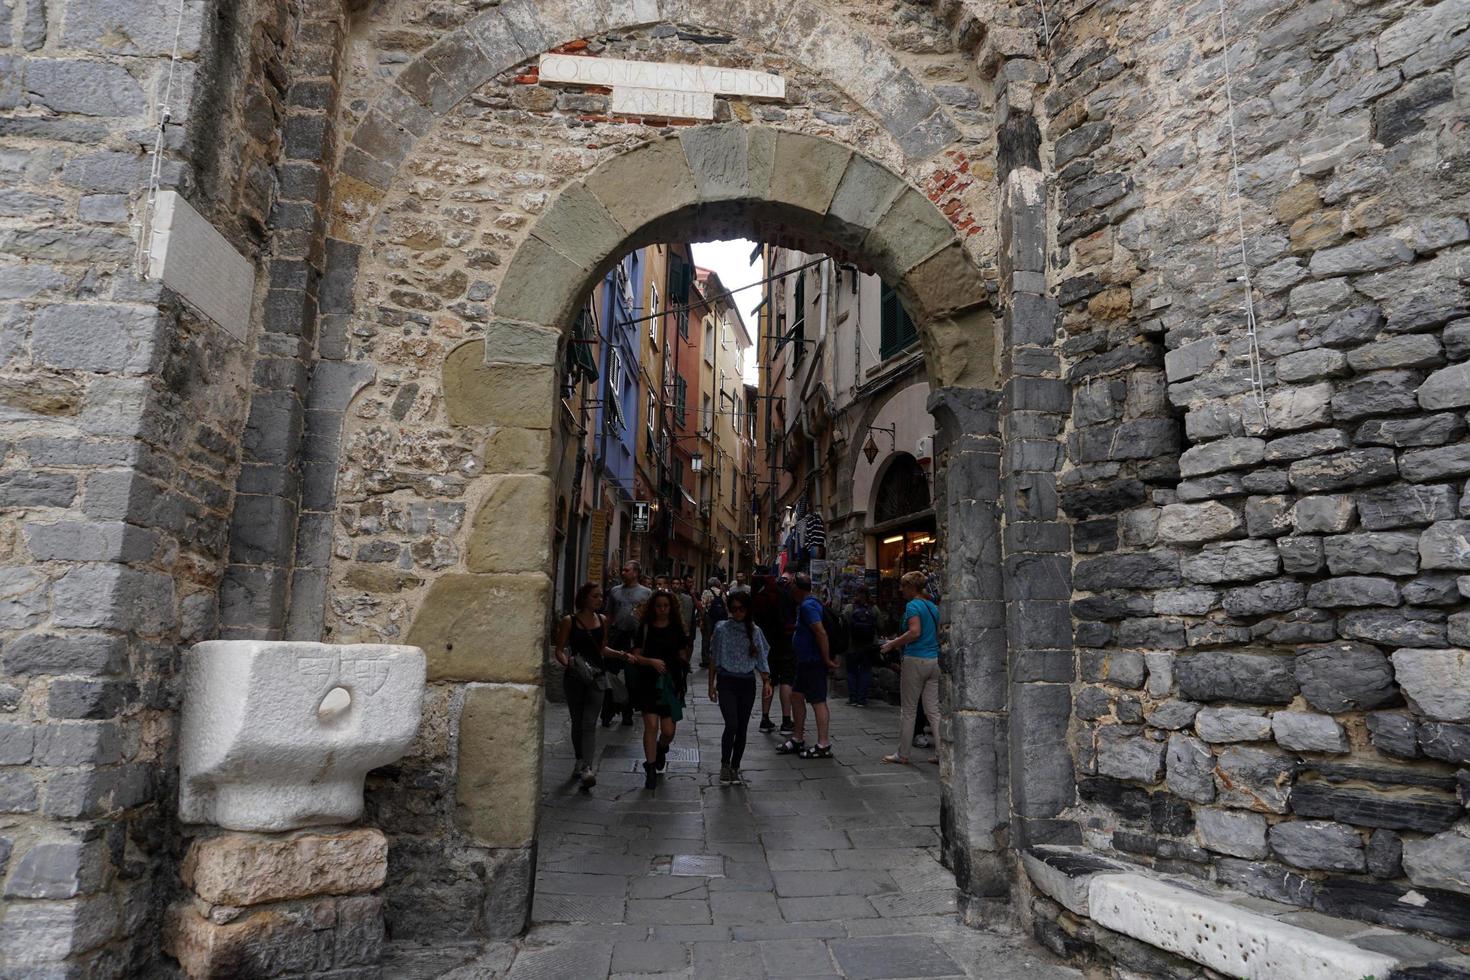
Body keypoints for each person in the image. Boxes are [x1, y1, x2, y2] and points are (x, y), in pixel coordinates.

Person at [552, 583, 627, 790]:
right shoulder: (569, 621)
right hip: (575, 679)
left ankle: (587, 768)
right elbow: (559, 649)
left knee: (588, 722)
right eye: (595, 596)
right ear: (584, 598)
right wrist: (569, 664)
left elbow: (602, 648)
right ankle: (579, 760)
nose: (600, 600)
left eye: (601, 597)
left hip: (596, 678)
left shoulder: (603, 621)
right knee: (577, 723)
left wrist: (621, 654)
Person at [706, 591, 772, 785]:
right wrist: (711, 684)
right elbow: (713, 657)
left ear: (747, 609)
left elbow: (761, 658)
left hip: (746, 683)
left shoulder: (755, 631)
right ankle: (725, 764)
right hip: (727, 681)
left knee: (742, 728)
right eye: (733, 609)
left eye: (741, 609)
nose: (737, 613)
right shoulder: (721, 629)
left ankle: (735, 766)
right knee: (732, 724)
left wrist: (766, 682)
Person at [628, 590, 691, 790]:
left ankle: (662, 748)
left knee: (668, 731)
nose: (662, 609)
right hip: (648, 682)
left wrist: (680, 682)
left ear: (671, 608)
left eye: (665, 606)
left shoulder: (677, 629)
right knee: (651, 726)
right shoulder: (645, 628)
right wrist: (651, 662)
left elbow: (683, 657)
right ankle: (651, 769)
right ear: (653, 608)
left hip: (670, 684)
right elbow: (635, 655)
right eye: (658, 606)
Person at [880, 571, 942, 765]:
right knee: (933, 710)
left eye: (903, 586)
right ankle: (942, 753)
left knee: (908, 710)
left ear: (911, 587)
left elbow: (914, 632)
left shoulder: (913, 605)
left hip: (916, 659)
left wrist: (892, 644)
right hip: (933, 661)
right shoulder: (933, 607)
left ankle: (903, 753)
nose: (900, 590)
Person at [777, 572, 837, 759]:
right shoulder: (806, 604)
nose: (789, 589)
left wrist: (826, 659)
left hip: (813, 661)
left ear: (797, 588)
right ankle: (797, 738)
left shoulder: (808, 606)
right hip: (804, 662)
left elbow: (821, 633)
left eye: (792, 585)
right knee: (796, 697)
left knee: (818, 701)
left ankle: (823, 744)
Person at [602, 561, 651, 727]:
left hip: (635, 639)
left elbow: (648, 619)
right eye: (623, 569)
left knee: (632, 678)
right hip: (618, 636)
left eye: (626, 570)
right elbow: (609, 615)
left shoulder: (646, 593)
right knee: (610, 675)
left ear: (636, 573)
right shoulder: (615, 591)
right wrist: (605, 637)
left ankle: (627, 712)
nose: (623, 572)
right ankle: (607, 712)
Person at [752, 575, 793, 733]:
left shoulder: (761, 598)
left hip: (767, 645)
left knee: (768, 681)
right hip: (784, 643)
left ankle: (765, 718)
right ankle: (786, 721)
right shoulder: (784, 595)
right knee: (786, 682)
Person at [844, 587, 879, 707]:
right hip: (868, 645)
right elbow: (880, 624)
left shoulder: (849, 608)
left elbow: (844, 623)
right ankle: (862, 699)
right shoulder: (874, 609)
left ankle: (853, 698)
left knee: (851, 671)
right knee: (865, 671)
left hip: (852, 645)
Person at [699, 576, 727, 669]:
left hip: (709, 617)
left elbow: (703, 607)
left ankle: (706, 660)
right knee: (719, 637)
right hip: (720, 618)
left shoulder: (706, 592)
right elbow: (725, 606)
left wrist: (701, 620)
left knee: (706, 638)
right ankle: (719, 658)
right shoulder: (722, 593)